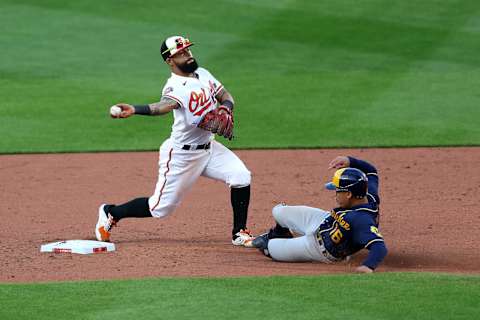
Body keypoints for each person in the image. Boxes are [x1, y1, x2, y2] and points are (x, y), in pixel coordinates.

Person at [95, 35, 254, 247]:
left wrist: (226, 107)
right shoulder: (175, 86)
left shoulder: (203, 74)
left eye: (187, 51)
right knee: (160, 208)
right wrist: (135, 109)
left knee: (241, 176)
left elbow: (226, 95)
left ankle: (239, 233)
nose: (187, 55)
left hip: (209, 148)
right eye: (180, 53)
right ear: (170, 61)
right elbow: (162, 106)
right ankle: (111, 212)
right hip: (182, 155)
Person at [251, 156, 387, 273]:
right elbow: (371, 171)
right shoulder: (369, 195)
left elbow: (379, 246)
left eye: (338, 191)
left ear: (349, 194)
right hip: (323, 220)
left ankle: (279, 242)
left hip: (317, 249)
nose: (335, 195)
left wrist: (368, 266)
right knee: (278, 210)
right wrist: (350, 160)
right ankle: (281, 233)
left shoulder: (361, 220)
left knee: (267, 247)